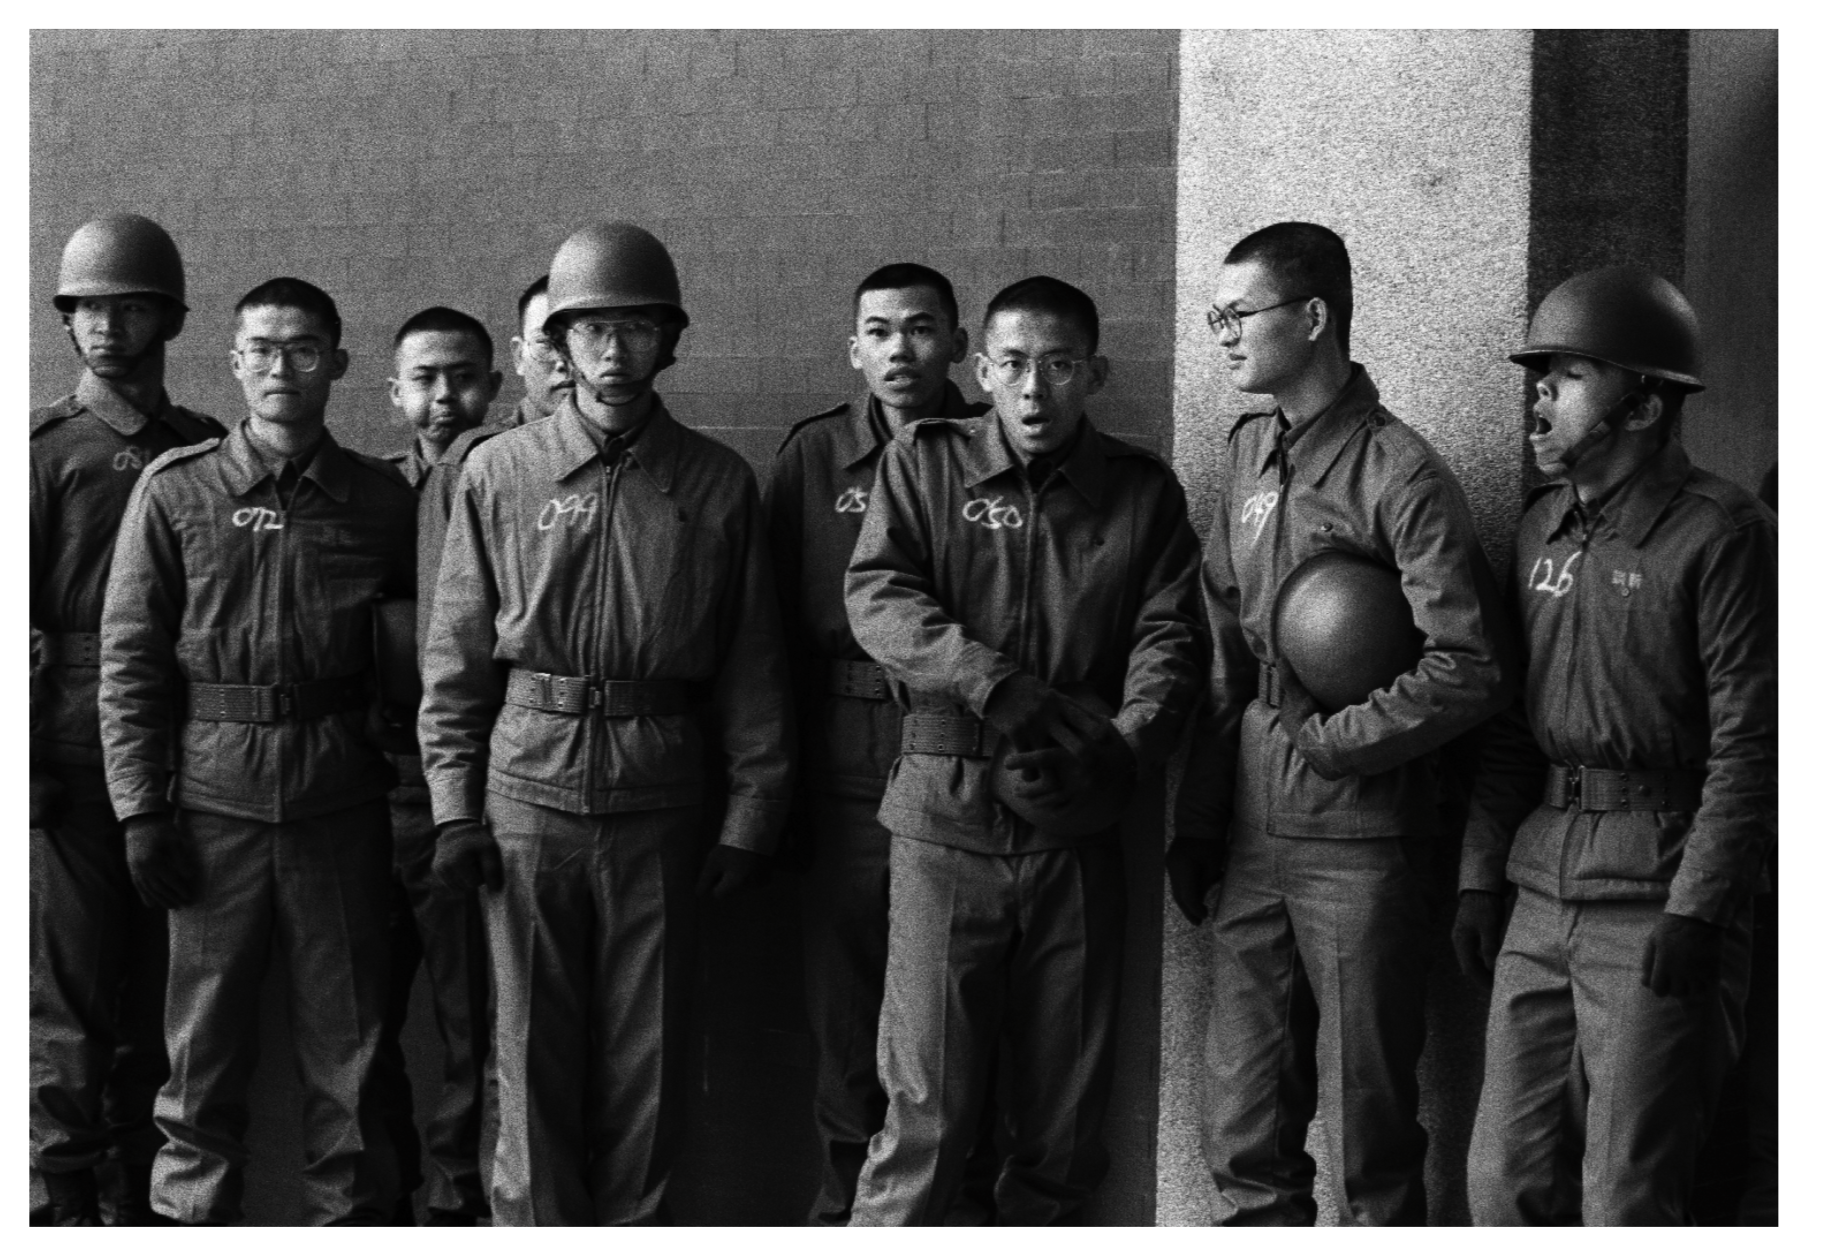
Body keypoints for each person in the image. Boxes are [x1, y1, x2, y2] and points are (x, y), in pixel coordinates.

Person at [418, 221, 794, 1225]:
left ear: (669, 340)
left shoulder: (716, 482)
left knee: (650, 1060)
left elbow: (752, 669)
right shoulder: (499, 471)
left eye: (636, 328)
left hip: (659, 797)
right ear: (559, 344)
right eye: (591, 329)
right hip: (527, 793)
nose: (613, 351)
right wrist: (454, 809)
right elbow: (454, 659)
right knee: (526, 1054)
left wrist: (751, 818)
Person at [1166, 221, 1513, 1226]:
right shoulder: (1247, 454)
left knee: (1370, 1135)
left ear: (1313, 316)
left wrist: (1333, 743)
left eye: (1240, 314)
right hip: (1252, 837)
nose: (1223, 334)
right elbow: (1224, 652)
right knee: (1241, 1128)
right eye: (1215, 316)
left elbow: (1470, 665)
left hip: (1362, 841)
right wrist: (1201, 816)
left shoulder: (1400, 473)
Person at [845, 275, 1203, 1225]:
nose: (1035, 390)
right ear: (982, 371)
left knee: (1063, 1119)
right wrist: (992, 682)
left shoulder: (1140, 492)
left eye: (1059, 366)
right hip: (945, 813)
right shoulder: (925, 463)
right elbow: (879, 596)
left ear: (1095, 373)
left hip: (1077, 822)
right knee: (927, 1110)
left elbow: (1171, 636)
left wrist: (1124, 747)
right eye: (1012, 365)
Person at [1453, 267, 1776, 1225]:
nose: (1540, 396)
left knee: (1627, 1197)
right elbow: (1513, 726)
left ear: (1642, 406)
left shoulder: (1725, 534)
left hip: (1657, 897)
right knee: (1501, 1185)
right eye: (1541, 375)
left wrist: (1701, 911)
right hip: (1541, 887)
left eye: (1570, 375)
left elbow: (1754, 747)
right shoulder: (1540, 530)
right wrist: (1478, 878)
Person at [99, 277, 417, 1225]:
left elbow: (428, 661)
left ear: (339, 364)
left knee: (350, 1062)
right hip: (211, 811)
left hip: (340, 809)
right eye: (264, 350)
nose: (283, 369)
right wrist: (141, 811)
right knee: (199, 1060)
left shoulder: (382, 501)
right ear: (235, 362)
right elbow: (130, 663)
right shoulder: (177, 490)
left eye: (304, 350)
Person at [762, 262, 992, 1225]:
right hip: (846, 762)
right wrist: (774, 789)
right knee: (849, 1013)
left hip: (967, 753)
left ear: (960, 345)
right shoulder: (815, 456)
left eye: (922, 328)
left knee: (956, 1010)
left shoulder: (995, 447)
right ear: (853, 348)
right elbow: (768, 632)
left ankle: (955, 1216)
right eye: (881, 331)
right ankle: (844, 1215)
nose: (902, 349)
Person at [30, 213, 225, 1226]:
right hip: (68, 754)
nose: (106, 327)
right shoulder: (44, 449)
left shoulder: (203, 447)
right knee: (68, 996)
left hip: (187, 752)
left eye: (129, 307)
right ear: (67, 321)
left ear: (170, 319)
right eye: (89, 309)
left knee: (168, 994)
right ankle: (58, 1199)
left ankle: (145, 1205)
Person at [371, 306, 502, 1226]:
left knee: (473, 1019)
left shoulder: (508, 480)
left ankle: (459, 1204)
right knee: (358, 1023)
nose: (443, 397)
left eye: (461, 377)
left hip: (469, 794)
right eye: (423, 379)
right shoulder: (367, 493)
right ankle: (381, 1203)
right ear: (394, 391)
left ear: (493, 385)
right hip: (364, 791)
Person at [508, 275, 572, 425]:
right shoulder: (491, 441)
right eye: (545, 343)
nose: (563, 362)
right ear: (519, 356)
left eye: (580, 343)